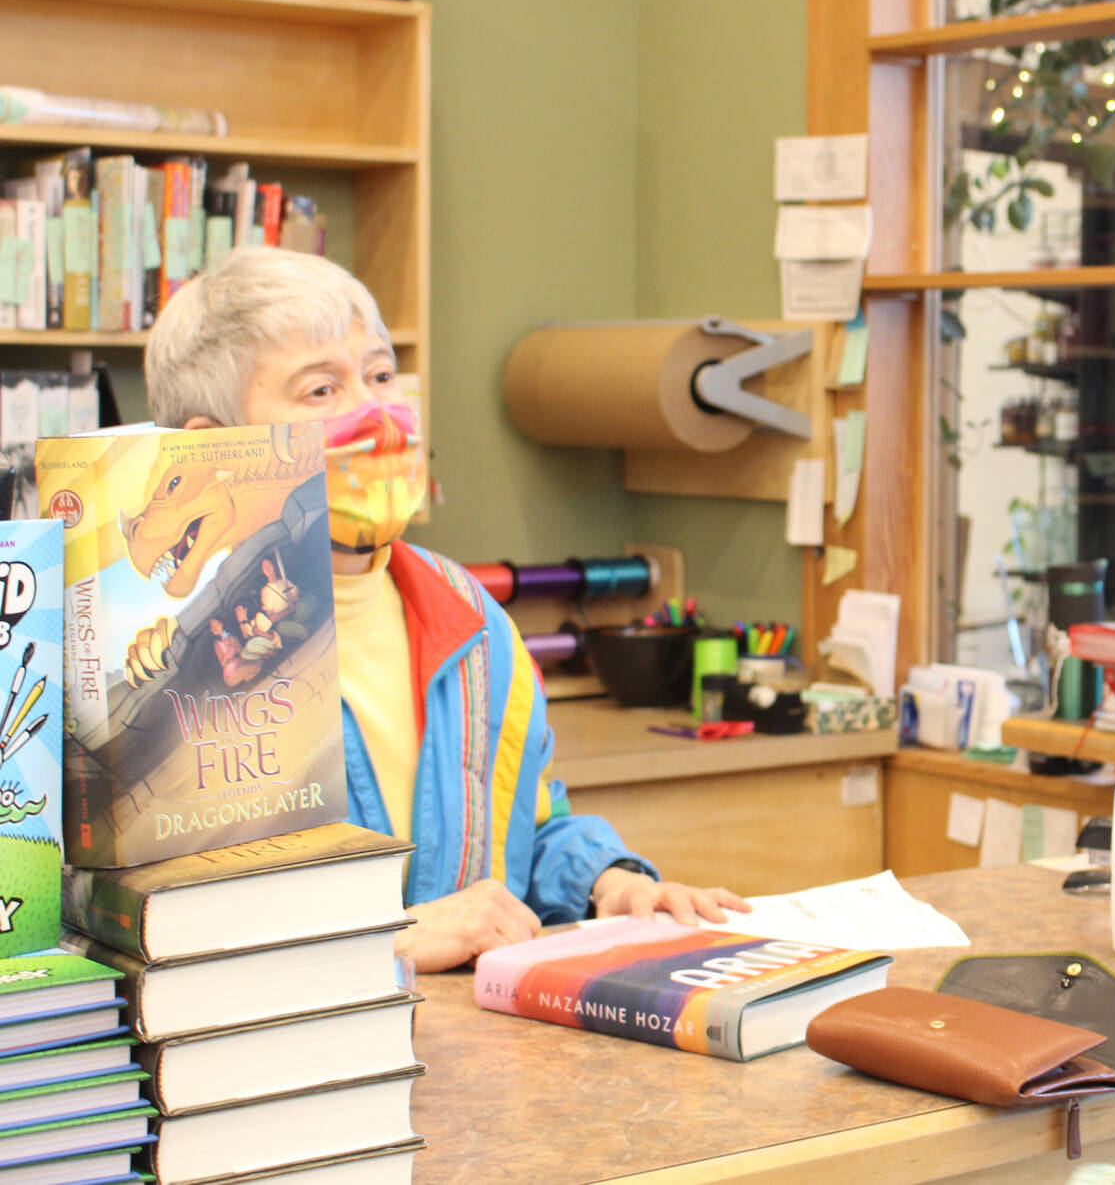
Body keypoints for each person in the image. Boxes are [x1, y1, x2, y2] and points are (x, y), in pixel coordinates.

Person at [145, 247, 748, 974]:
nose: (379, 415)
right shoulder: (164, 661)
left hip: (481, 1059)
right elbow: (166, 931)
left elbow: (525, 823)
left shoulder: (472, 618)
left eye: (379, 375)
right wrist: (392, 939)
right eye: (320, 391)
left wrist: (609, 884)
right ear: (218, 449)